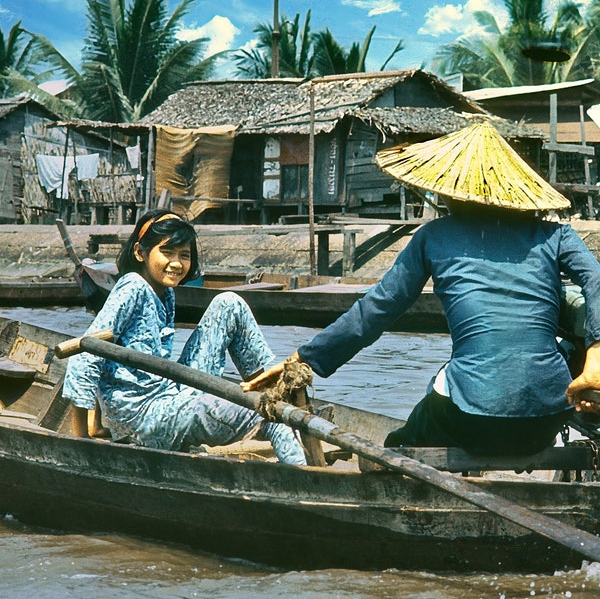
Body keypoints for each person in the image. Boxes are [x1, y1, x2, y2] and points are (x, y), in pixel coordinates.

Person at [243, 200, 600, 456]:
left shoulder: (434, 235)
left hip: (468, 419)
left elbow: (377, 309)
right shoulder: (557, 234)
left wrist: (301, 361)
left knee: (403, 439)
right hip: (547, 419)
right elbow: (596, 278)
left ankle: (395, 455)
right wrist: (595, 357)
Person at [63, 209, 306, 466]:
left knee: (229, 304)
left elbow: (113, 353)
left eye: (184, 255)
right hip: (146, 420)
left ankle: (274, 386)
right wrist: (82, 441)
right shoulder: (133, 286)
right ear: (139, 253)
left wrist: (98, 421)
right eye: (167, 252)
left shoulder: (164, 293)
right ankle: (307, 480)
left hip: (167, 394)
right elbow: (86, 354)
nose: (177, 263)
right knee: (270, 414)